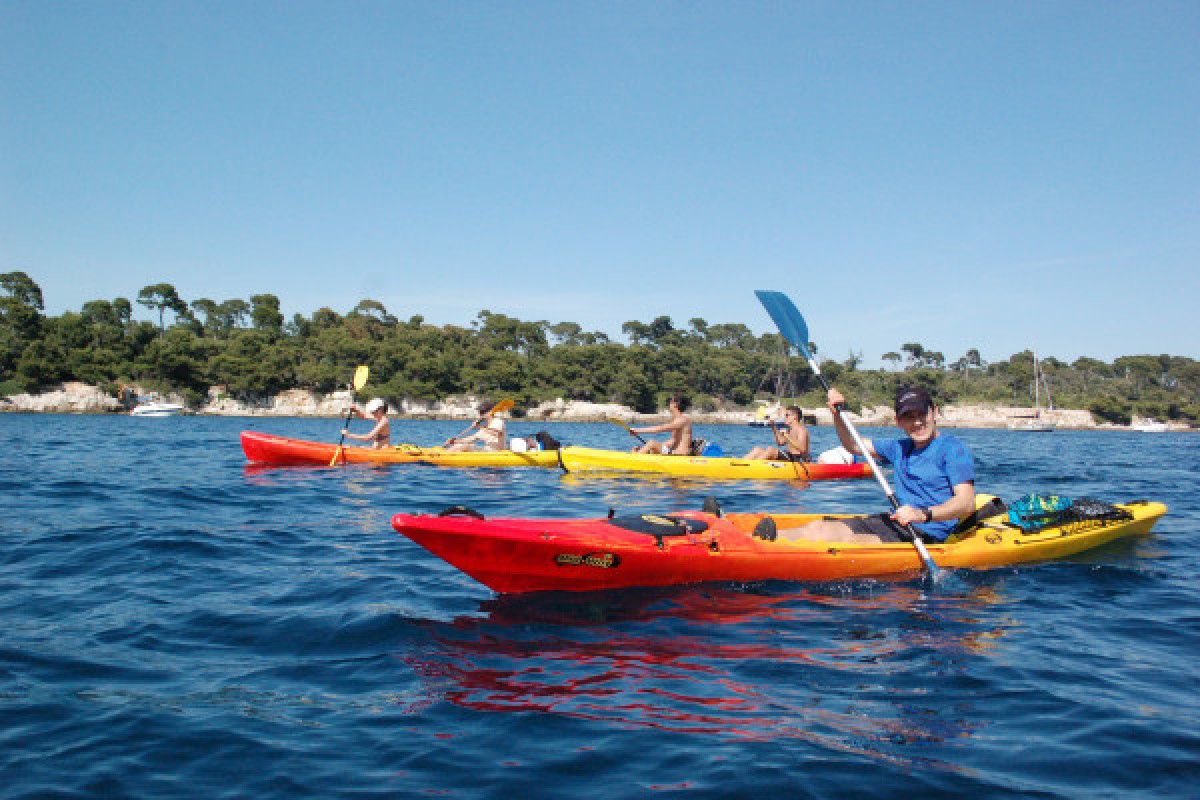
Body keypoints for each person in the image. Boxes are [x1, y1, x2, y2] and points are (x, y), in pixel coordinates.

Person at [758, 385, 975, 544]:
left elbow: (966, 503)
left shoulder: (952, 449)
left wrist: (922, 514)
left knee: (849, 542)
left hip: (927, 533)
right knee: (819, 527)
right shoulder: (899, 447)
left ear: (935, 412)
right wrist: (837, 414)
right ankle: (752, 541)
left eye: (922, 414)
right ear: (898, 422)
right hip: (896, 521)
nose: (917, 422)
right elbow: (854, 445)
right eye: (909, 417)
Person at [744, 405, 809, 461]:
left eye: (787, 415)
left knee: (771, 450)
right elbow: (780, 443)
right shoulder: (790, 430)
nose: (784, 418)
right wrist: (773, 426)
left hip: (797, 459)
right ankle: (740, 464)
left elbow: (803, 449)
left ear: (795, 417)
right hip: (788, 456)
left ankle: (753, 467)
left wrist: (787, 436)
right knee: (757, 449)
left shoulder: (801, 430)